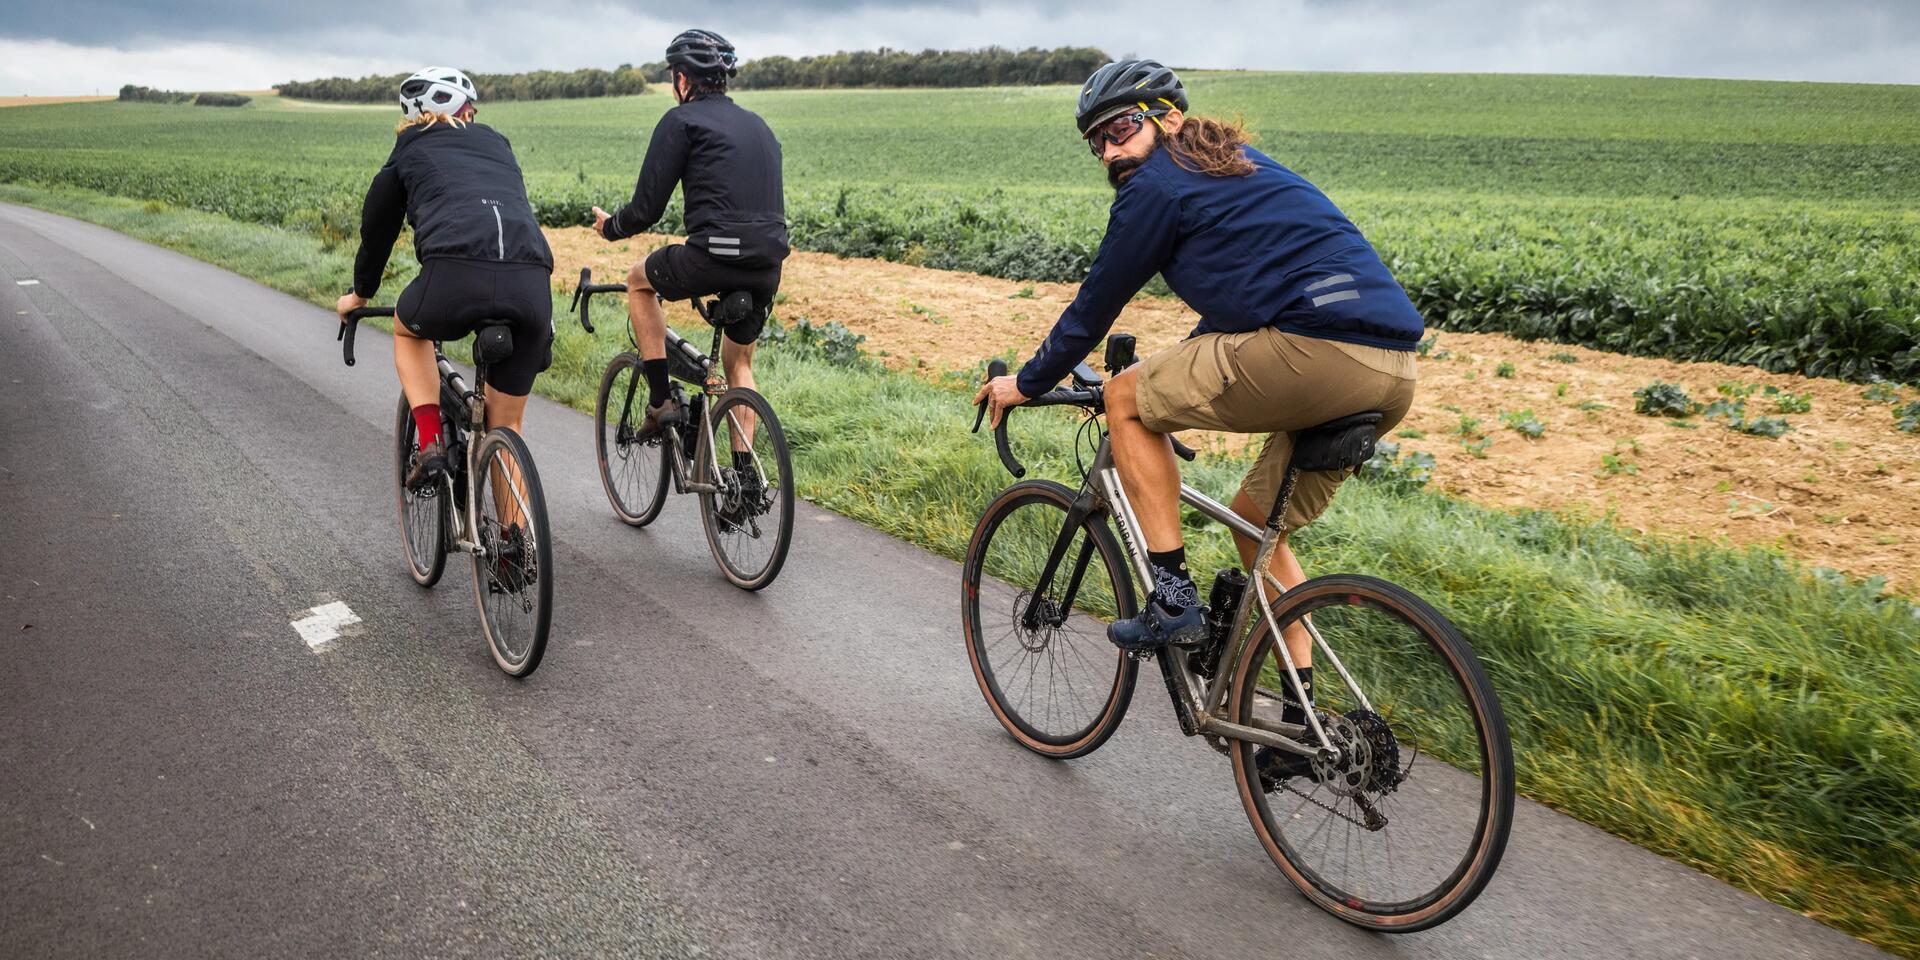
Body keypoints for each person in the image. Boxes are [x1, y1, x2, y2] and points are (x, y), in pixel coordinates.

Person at [974, 60, 1424, 784]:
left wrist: (1026, 385)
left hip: (1314, 353)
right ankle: (1303, 727)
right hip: (1391, 369)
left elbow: (1095, 307)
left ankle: (1173, 598)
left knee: (1123, 397)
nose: (1110, 153)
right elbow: (1238, 307)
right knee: (1254, 527)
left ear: (1167, 116)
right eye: (1096, 144)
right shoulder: (1239, 169)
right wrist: (1178, 382)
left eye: (1120, 129)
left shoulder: (1154, 187)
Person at [336, 66, 556, 493]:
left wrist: (359, 295)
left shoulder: (409, 145)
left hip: (456, 276)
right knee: (506, 425)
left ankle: (432, 442)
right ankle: (518, 551)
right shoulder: (497, 143)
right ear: (463, 112)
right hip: (531, 282)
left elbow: (377, 229)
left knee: (408, 328)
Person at [590, 28, 788, 486]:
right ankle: (743, 479)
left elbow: (646, 209)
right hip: (766, 264)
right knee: (740, 366)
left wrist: (610, 228)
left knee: (639, 280)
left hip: (711, 258)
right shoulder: (760, 125)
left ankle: (661, 401)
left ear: (683, 79)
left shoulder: (681, 122)